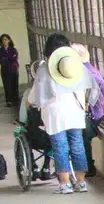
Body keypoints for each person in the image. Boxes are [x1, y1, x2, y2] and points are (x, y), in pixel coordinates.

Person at [21, 33, 96, 194]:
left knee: (60, 146)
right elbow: (91, 88)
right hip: (76, 111)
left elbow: (34, 95)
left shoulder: (44, 69)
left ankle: (64, 184)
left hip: (55, 114)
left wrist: (29, 105)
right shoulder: (77, 66)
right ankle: (81, 182)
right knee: (77, 145)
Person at [70, 43, 104, 177]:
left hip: (95, 111)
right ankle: (87, 165)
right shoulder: (88, 68)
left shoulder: (86, 71)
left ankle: (88, 166)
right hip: (93, 109)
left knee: (83, 136)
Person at [0, 34, 20, 107]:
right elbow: (2, 60)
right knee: (7, 86)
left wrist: (7, 58)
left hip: (13, 70)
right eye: (3, 39)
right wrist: (9, 58)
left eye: (6, 39)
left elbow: (14, 58)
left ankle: (15, 100)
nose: (5, 41)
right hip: (5, 70)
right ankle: (9, 100)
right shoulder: (0, 50)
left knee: (15, 85)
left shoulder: (13, 49)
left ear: (9, 40)